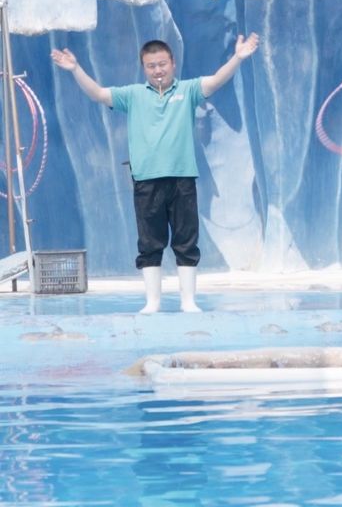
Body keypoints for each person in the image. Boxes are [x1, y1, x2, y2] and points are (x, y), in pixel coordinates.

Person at [51, 33, 260, 313]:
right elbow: (99, 94)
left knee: (186, 240)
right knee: (150, 242)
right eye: (151, 66)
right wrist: (76, 69)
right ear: (144, 68)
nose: (157, 70)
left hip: (182, 178)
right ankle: (153, 302)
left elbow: (216, 80)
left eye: (162, 64)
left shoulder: (187, 90)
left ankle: (188, 301)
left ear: (172, 63)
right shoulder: (133, 95)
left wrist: (238, 57)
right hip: (147, 181)